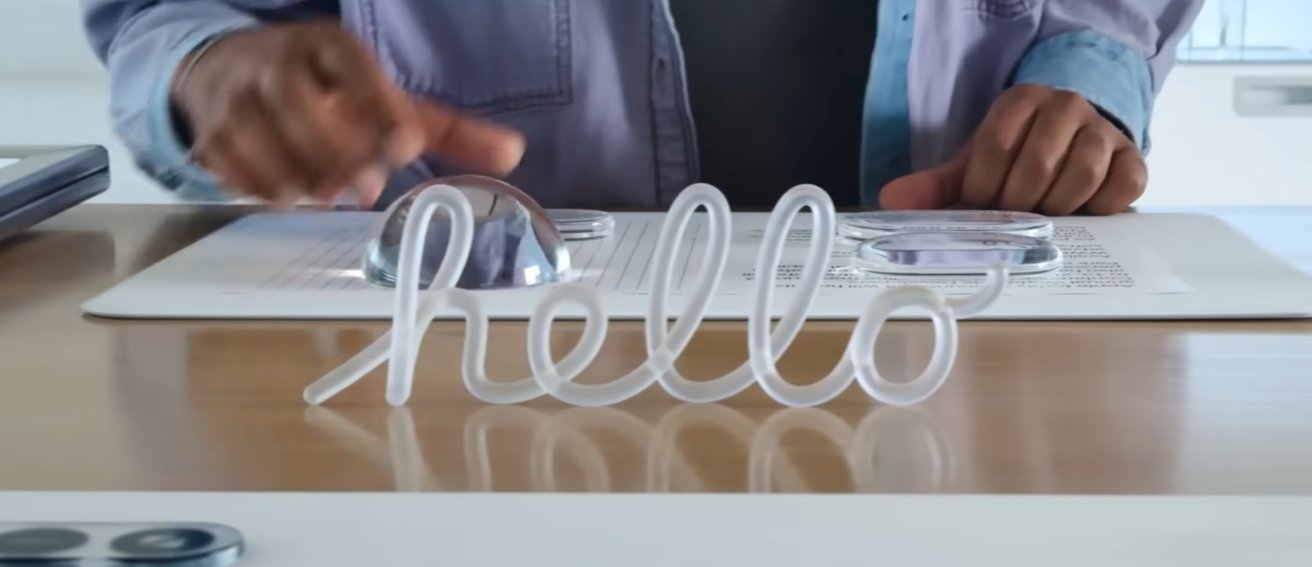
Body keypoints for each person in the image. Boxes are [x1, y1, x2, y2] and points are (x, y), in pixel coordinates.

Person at [81, 1, 1202, 215]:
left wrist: (1088, 78)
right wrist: (214, 70)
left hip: (963, 357)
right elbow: (171, 22)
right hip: (463, 384)